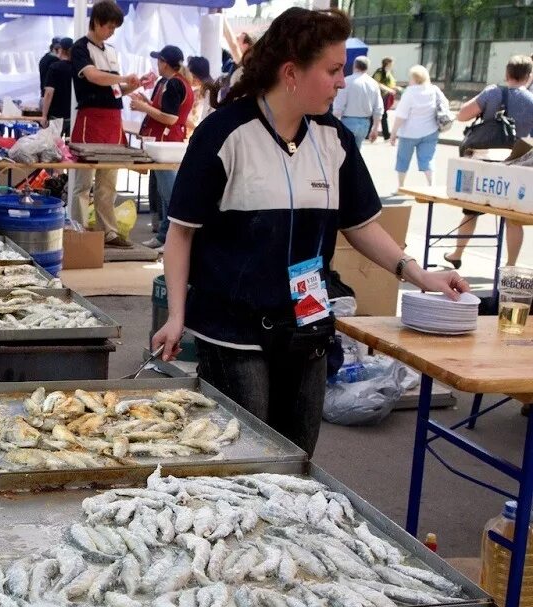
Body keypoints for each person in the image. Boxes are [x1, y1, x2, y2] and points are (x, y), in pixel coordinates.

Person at [151, 7, 467, 456]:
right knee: (243, 460)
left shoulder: (332, 138)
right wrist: (177, 316)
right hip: (234, 332)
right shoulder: (225, 133)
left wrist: (418, 274)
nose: (342, 81)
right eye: (333, 70)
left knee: (298, 461)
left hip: (308, 328)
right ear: (291, 73)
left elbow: (361, 225)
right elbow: (180, 234)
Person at [443, 55, 533, 269]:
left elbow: (463, 115)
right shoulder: (531, 100)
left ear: (507, 73)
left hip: (484, 161)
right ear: (529, 76)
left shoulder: (493, 92)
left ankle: (457, 253)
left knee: (471, 209)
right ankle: (510, 265)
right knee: (512, 216)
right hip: (515, 164)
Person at [70, 0, 143, 248]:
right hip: (90, 117)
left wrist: (132, 85)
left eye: (114, 28)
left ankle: (108, 231)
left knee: (108, 180)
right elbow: (92, 76)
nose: (111, 31)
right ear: (97, 22)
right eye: (109, 26)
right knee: (83, 181)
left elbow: (113, 88)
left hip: (112, 119)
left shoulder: (111, 50)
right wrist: (123, 78)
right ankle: (78, 229)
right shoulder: (79, 48)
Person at [132, 45, 193, 254]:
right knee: (164, 191)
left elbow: (171, 118)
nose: (156, 65)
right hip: (164, 143)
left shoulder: (174, 84)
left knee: (169, 193)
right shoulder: (170, 83)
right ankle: (163, 236)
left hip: (167, 144)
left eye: (158, 61)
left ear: (164, 63)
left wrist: (144, 108)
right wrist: (148, 103)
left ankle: (170, 238)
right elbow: (165, 111)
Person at [389, 65, 447, 188]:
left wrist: (393, 133)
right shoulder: (433, 89)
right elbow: (444, 104)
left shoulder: (410, 92)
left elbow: (401, 115)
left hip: (409, 133)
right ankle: (431, 185)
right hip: (430, 131)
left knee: (403, 160)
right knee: (428, 159)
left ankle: (401, 186)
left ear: (414, 78)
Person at [332, 55, 383, 148]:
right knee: (356, 153)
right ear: (367, 67)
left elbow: (338, 107)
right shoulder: (373, 83)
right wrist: (375, 128)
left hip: (347, 121)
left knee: (344, 152)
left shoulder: (347, 81)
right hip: (365, 123)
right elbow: (378, 108)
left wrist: (334, 125)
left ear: (354, 66)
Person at [40, 37, 74, 135]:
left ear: (60, 50)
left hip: (56, 116)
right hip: (72, 116)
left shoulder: (54, 68)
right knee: (71, 148)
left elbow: (49, 93)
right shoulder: (76, 68)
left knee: (53, 147)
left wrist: (44, 115)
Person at [185, 56, 220, 137]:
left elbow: (208, 121)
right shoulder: (196, 91)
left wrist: (191, 126)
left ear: (195, 77)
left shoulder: (211, 93)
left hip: (202, 137)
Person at [372, 57, 400, 140]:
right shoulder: (380, 72)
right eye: (391, 63)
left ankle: (385, 135)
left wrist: (395, 88)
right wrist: (389, 89)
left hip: (386, 96)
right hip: (380, 96)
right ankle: (386, 135)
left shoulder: (388, 72)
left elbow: (390, 83)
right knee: (382, 115)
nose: (392, 65)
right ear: (387, 63)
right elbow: (377, 83)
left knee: (381, 115)